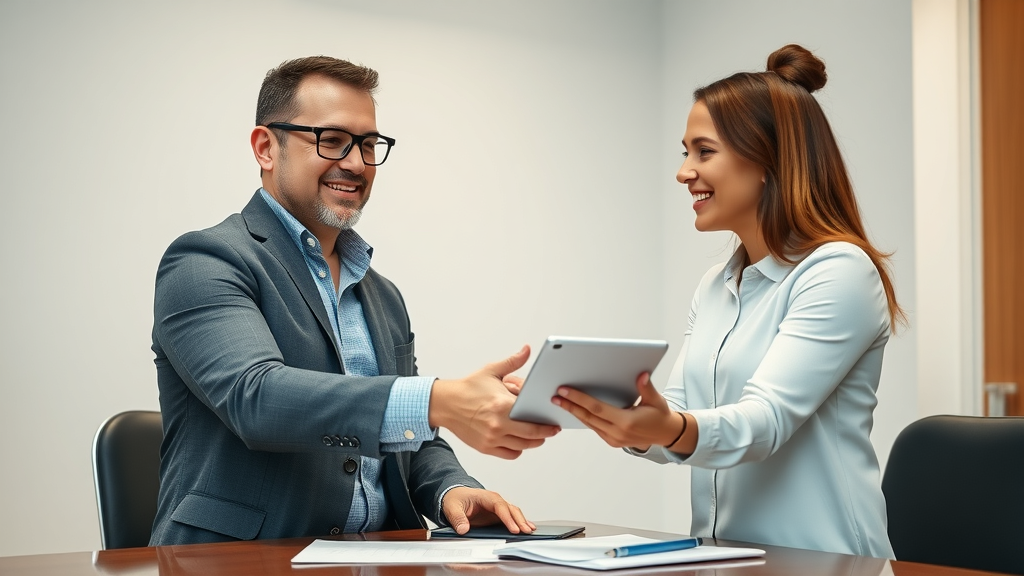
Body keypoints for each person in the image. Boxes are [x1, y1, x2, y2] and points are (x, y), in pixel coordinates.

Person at [149, 56, 559, 545]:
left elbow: (405, 437)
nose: (357, 163)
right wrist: (436, 399)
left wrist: (450, 488)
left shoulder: (383, 296)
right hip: (242, 558)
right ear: (265, 148)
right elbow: (256, 398)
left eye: (369, 145)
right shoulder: (206, 261)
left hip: (378, 555)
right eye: (332, 140)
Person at [550, 44, 903, 558]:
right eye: (685, 151)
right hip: (730, 558)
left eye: (704, 151)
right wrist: (618, 414)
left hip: (831, 562)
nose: (683, 171)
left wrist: (669, 427)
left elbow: (764, 423)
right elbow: (685, 416)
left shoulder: (839, 272)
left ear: (767, 161)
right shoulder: (716, 285)